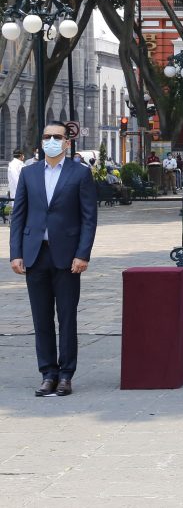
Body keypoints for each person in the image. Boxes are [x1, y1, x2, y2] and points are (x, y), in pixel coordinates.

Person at [9, 121, 97, 396]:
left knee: (67, 318)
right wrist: (16, 253)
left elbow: (89, 218)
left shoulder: (80, 173)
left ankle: (66, 375)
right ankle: (48, 373)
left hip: (68, 257)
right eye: (47, 136)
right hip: (35, 254)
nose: (51, 141)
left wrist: (83, 254)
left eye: (57, 137)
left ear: (67, 142)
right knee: (41, 319)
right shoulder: (29, 173)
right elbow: (18, 216)